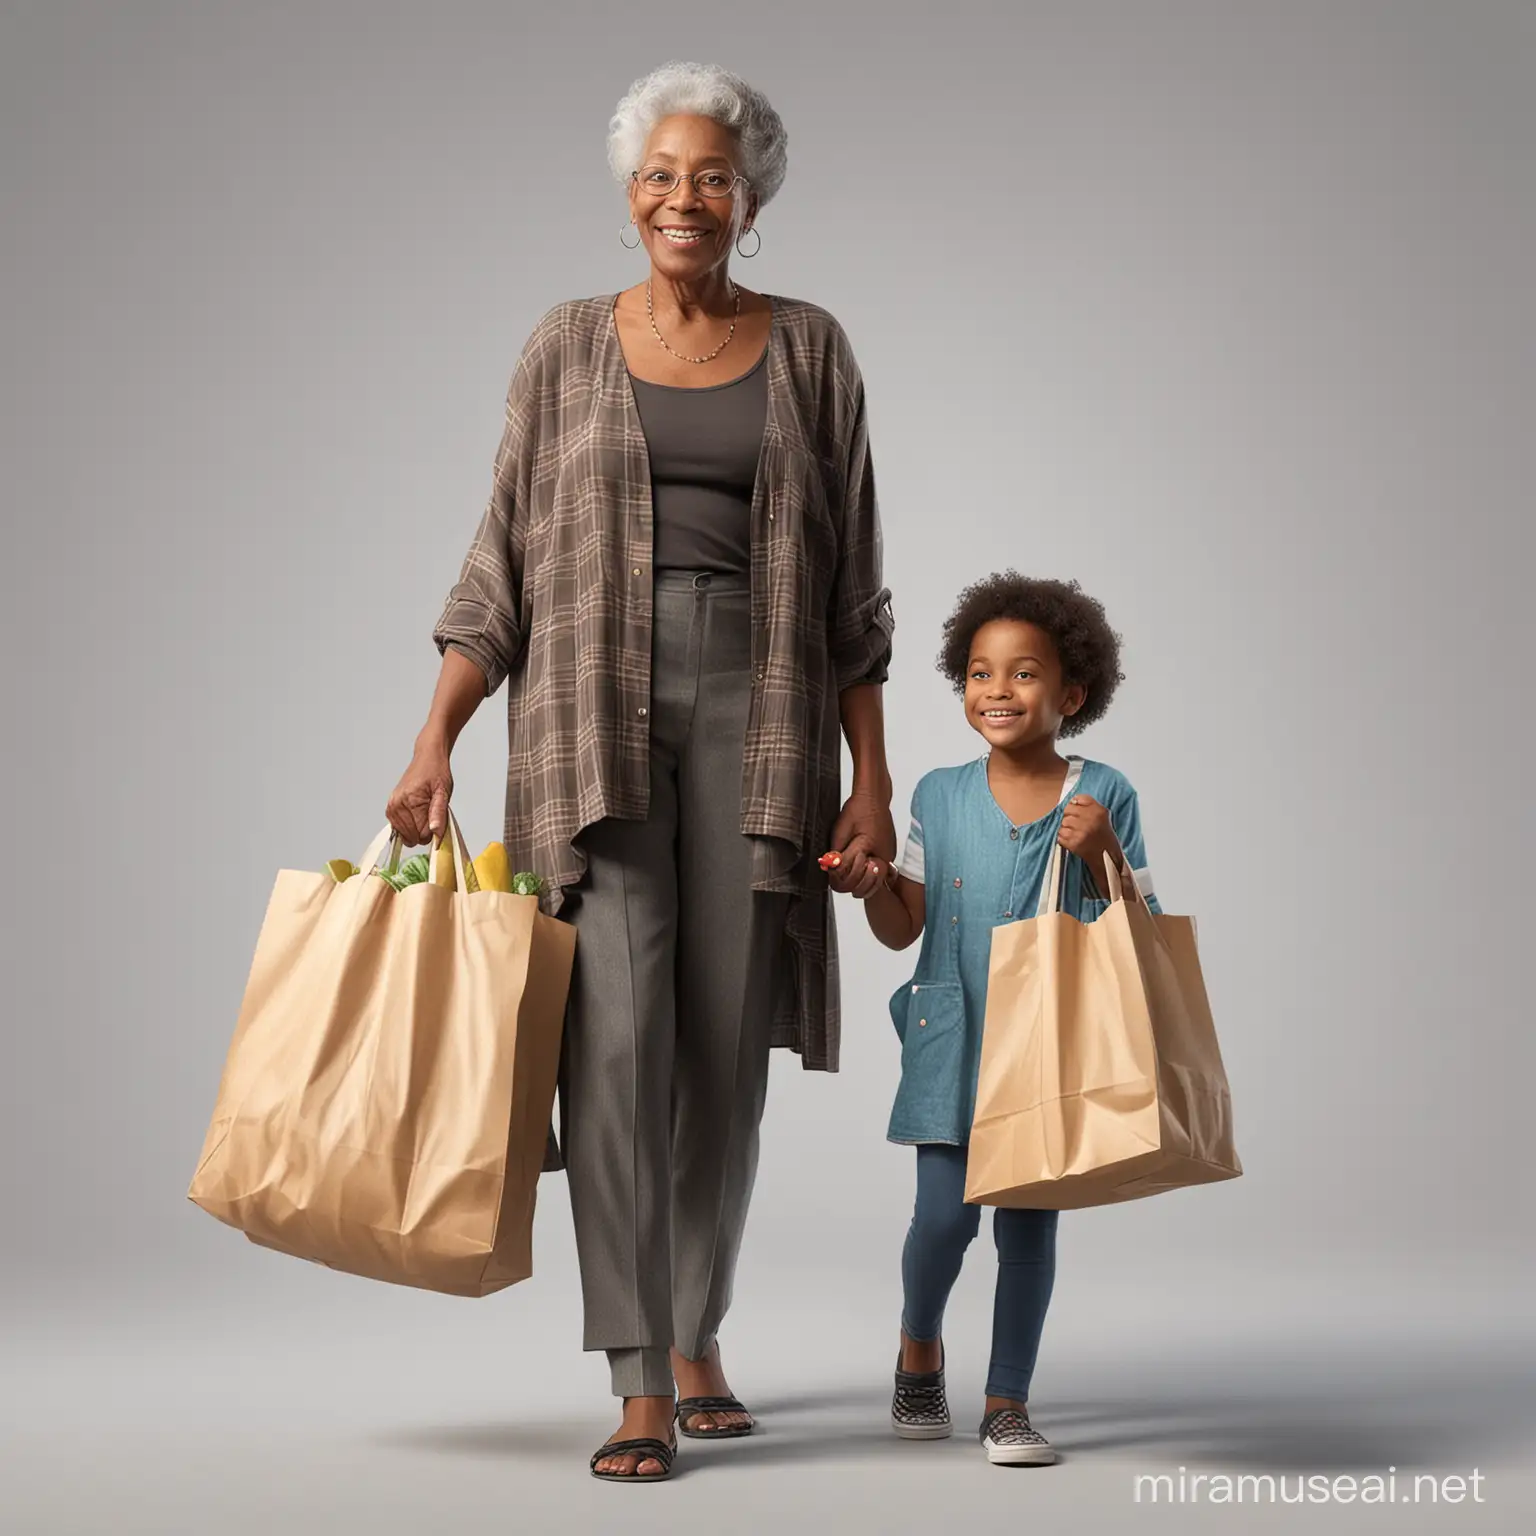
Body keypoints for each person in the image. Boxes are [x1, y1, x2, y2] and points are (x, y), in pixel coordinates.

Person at [385, 61, 896, 1483]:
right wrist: (438, 734)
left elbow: (857, 590)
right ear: (630, 197)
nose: (687, 196)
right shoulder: (564, 346)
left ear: (752, 198)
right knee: (613, 1047)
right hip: (587, 716)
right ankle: (636, 1379)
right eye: (663, 174)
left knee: (724, 1051)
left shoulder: (812, 349)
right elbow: (498, 558)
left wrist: (871, 775)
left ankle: (694, 1332)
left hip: (769, 705)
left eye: (714, 175)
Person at [844, 571, 1159, 1467]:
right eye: (980, 673)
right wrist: (870, 887)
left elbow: (1131, 933)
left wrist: (1101, 852)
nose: (998, 691)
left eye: (1024, 674)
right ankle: (918, 1348)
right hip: (952, 1035)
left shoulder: (1104, 794)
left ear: (1072, 693)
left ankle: (1007, 1401)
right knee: (943, 1219)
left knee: (1027, 1229)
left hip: (1046, 1047)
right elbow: (904, 927)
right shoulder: (937, 797)